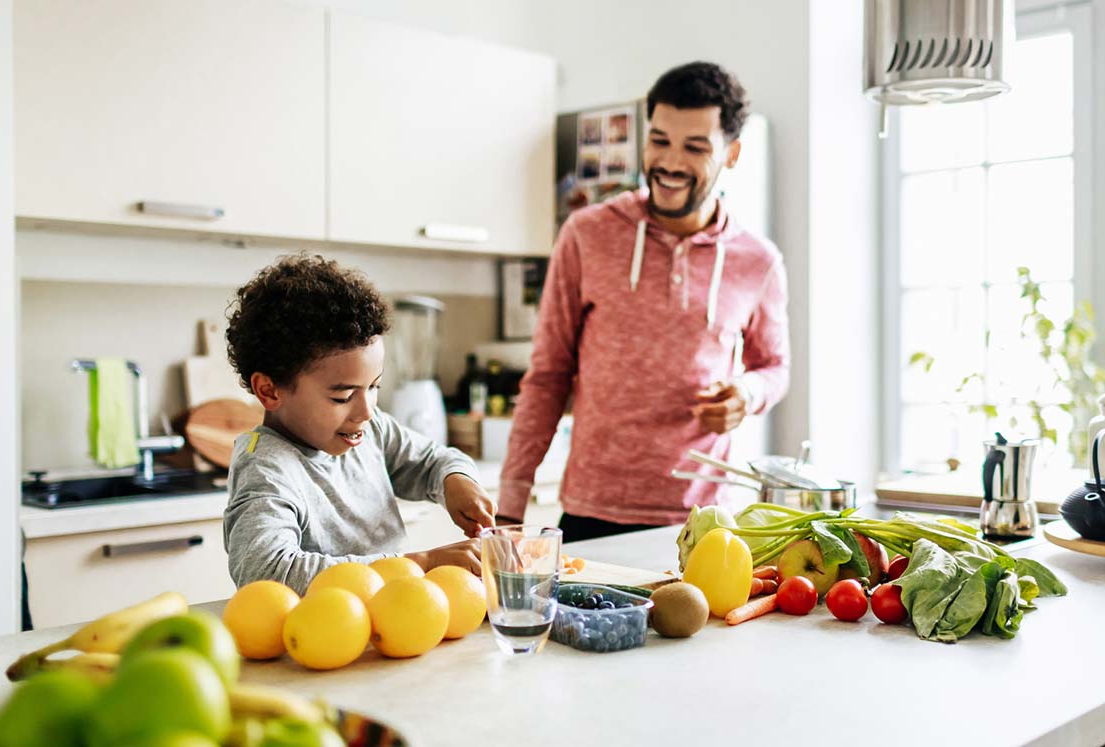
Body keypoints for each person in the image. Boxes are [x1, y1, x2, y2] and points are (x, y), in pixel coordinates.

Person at [498, 61, 790, 541]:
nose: (670, 163)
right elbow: (547, 376)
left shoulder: (756, 261)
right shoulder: (587, 235)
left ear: (731, 153)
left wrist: (747, 394)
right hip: (591, 514)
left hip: (703, 521)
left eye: (695, 147)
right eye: (659, 140)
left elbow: (775, 367)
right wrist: (509, 508)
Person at [222, 254, 495, 594]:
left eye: (374, 387)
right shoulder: (266, 469)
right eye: (342, 396)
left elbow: (431, 461)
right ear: (270, 390)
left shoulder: (370, 429)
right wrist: (422, 564)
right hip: (319, 642)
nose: (366, 410)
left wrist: (455, 480)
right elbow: (268, 573)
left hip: (390, 629)